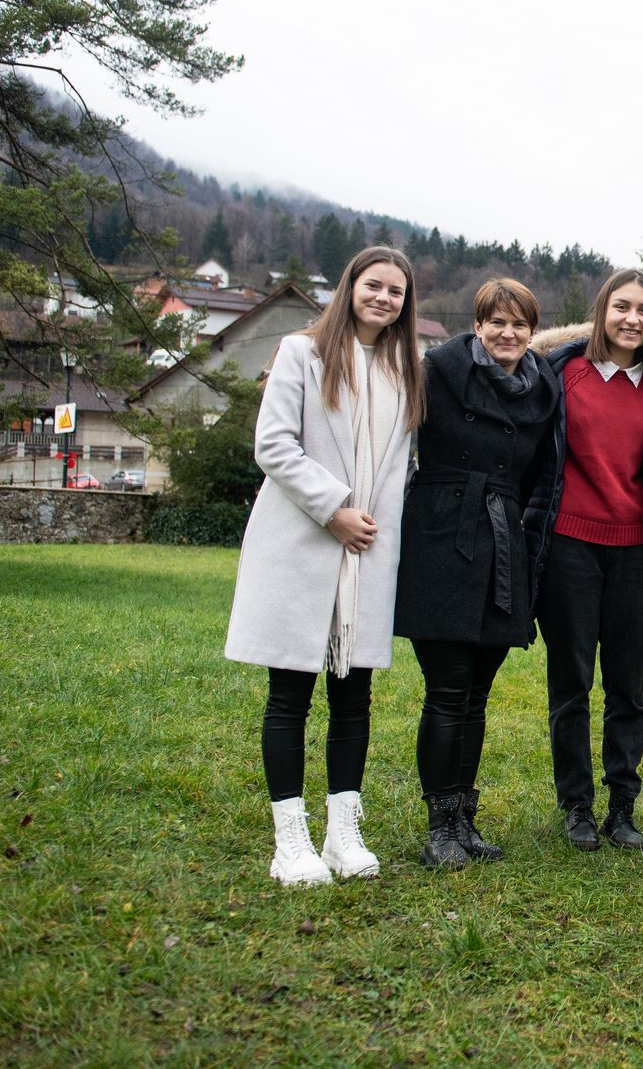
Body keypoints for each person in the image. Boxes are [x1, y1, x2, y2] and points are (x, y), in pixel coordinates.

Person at [225, 247, 423, 886]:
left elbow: (403, 464)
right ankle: (290, 840)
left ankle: (342, 833)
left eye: (396, 291)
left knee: (354, 694)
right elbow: (273, 445)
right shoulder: (302, 352)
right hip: (305, 544)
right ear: (351, 286)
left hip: (366, 555)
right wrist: (334, 507)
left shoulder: (404, 367)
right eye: (374, 286)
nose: (384, 299)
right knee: (289, 695)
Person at [394, 278, 560, 868]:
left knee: (477, 697)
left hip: (503, 544)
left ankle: (465, 820)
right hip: (442, 536)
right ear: (478, 325)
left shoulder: (542, 388)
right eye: (497, 323)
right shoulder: (435, 369)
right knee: (446, 692)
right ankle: (439, 827)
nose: (508, 333)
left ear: (532, 331)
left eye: (520, 324)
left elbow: (542, 472)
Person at [529, 270, 643, 851]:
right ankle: (576, 807)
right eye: (622, 307)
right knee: (570, 682)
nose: (633, 319)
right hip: (570, 547)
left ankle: (622, 807)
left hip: (637, 554)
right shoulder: (559, 374)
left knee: (629, 688)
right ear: (601, 312)